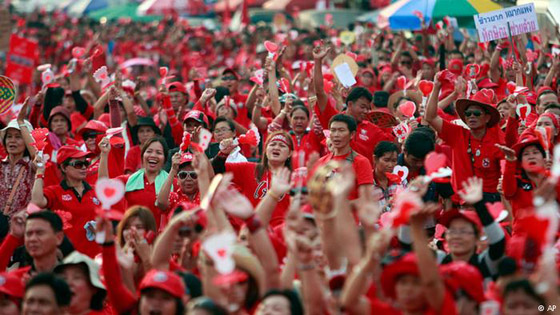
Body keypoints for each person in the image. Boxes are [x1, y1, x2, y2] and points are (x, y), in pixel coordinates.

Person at [425, 74, 504, 203]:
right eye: (468, 113)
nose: (472, 116)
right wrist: (437, 87)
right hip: (462, 202)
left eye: (477, 113)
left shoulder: (497, 141)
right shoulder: (457, 134)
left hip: (490, 203)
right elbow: (430, 117)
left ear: (487, 118)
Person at [313, 43, 394, 167]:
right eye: (362, 107)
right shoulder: (334, 119)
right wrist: (318, 61)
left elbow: (392, 148)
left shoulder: (373, 129)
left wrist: (402, 129)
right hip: (336, 181)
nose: (366, 111)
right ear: (350, 104)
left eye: (368, 108)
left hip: (364, 181)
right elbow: (319, 91)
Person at [212, 131, 293, 227]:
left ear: (290, 153)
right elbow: (215, 171)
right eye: (272, 144)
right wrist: (223, 154)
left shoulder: (294, 179)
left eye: (282, 145)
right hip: (252, 232)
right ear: (266, 150)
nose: (276, 148)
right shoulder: (249, 169)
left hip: (281, 234)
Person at [31, 145, 100, 257]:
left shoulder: (96, 190)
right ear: (63, 168)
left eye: (86, 163)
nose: (84, 167)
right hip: (66, 258)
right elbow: (37, 201)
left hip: (94, 257)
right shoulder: (55, 192)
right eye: (78, 164)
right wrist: (40, 171)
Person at [99, 136, 172, 228]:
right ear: (142, 156)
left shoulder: (172, 183)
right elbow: (103, 187)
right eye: (149, 151)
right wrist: (104, 154)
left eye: (159, 153)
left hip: (160, 240)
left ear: (165, 159)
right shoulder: (129, 181)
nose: (153, 155)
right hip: (131, 237)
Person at [313, 114, 374, 201]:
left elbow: (366, 199)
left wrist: (339, 206)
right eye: (333, 130)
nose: (336, 135)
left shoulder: (361, 162)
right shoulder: (321, 162)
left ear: (352, 134)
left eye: (341, 130)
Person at [0, 112, 36, 217]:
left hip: (23, 225)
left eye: (18, 137)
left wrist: (21, 122)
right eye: (9, 136)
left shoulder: (31, 165)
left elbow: (36, 156)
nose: (12, 141)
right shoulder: (1, 164)